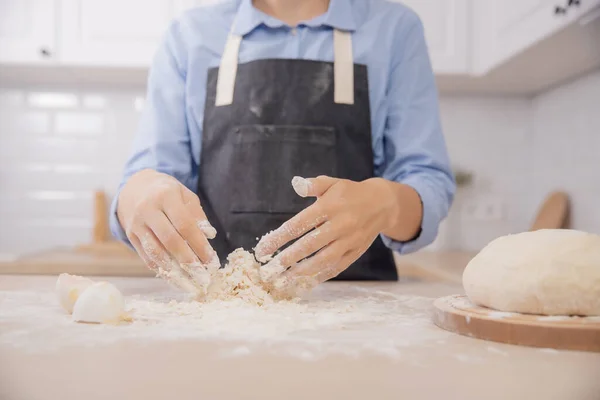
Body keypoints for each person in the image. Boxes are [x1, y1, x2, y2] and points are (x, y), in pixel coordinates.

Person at [110, 0, 455, 292]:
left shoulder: (394, 30)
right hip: (219, 306)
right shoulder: (189, 34)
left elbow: (427, 180)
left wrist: (386, 202)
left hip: (356, 305)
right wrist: (137, 194)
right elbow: (148, 181)